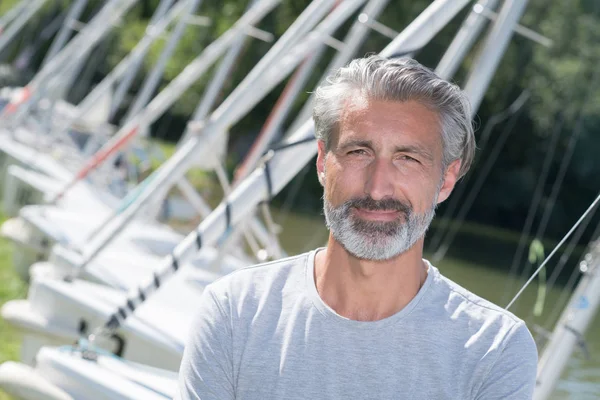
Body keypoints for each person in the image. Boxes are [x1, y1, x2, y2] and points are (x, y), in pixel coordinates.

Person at [175, 55, 538, 400]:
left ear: (446, 180)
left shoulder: (495, 350)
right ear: (322, 162)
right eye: (358, 153)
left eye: (407, 159)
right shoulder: (236, 311)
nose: (377, 188)